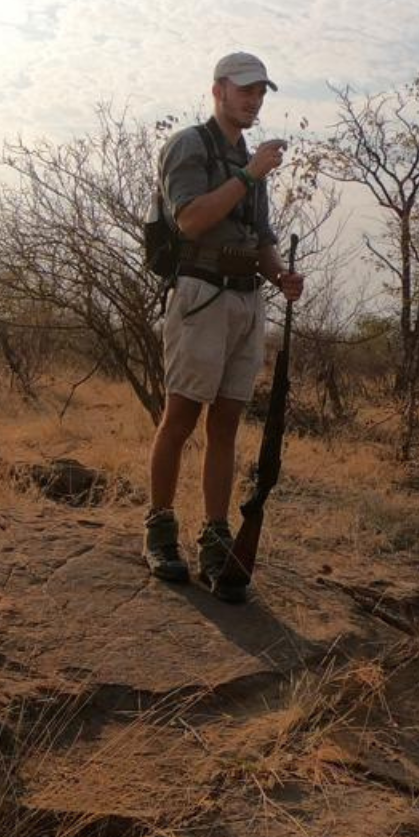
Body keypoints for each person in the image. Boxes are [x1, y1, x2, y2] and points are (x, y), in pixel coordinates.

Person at [142, 52, 306, 602]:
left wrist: (280, 275)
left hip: (245, 299)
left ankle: (215, 536)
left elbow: (259, 236)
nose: (253, 99)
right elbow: (189, 219)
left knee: (228, 422)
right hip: (200, 293)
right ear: (217, 90)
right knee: (182, 413)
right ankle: (161, 528)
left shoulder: (246, 156)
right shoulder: (191, 146)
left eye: (260, 91)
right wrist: (248, 173)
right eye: (244, 90)